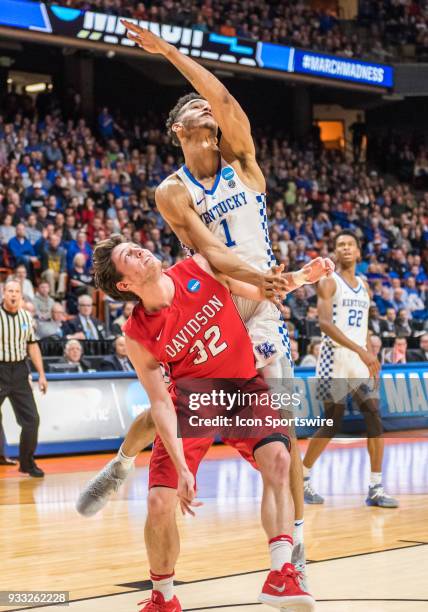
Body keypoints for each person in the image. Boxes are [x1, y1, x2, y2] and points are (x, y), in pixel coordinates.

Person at [77, 20, 334, 590]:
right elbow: (213, 253)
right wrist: (265, 278)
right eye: (192, 108)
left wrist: (169, 51)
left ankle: (292, 544)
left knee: (282, 431)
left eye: (208, 108)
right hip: (216, 295)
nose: (206, 110)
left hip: (260, 304)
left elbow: (221, 96)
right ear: (178, 130)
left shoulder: (243, 161)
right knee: (173, 406)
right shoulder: (171, 190)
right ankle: (122, 460)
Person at [78, 236, 321, 612]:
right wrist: (181, 469)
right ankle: (163, 597)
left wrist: (303, 276)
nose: (140, 250)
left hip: (243, 387)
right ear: (125, 284)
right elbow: (160, 403)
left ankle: (280, 573)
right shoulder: (138, 334)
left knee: (279, 458)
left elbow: (261, 288)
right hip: (192, 403)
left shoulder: (200, 267)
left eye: (135, 245)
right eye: (129, 255)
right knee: (160, 501)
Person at [302, 230, 398, 508]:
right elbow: (325, 325)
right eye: (340, 245)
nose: (345, 248)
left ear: (358, 252)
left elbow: (364, 326)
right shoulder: (328, 282)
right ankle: (303, 476)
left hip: (358, 359)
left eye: (350, 245)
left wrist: (369, 355)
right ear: (335, 252)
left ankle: (376, 487)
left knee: (374, 417)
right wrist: (361, 351)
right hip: (334, 358)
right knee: (332, 421)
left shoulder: (365, 285)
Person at [0, 279, 48, 477]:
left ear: (21, 294)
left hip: (20, 370)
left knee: (32, 420)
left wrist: (41, 375)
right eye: (9, 291)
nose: (13, 294)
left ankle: (26, 463)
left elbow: (33, 346)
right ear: (4, 293)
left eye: (16, 291)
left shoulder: (26, 317)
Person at [40, 233, 68, 298]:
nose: (54, 242)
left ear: (59, 241)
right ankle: (51, 294)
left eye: (56, 240)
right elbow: (44, 267)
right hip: (46, 273)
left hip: (57, 273)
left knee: (63, 274)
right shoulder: (45, 251)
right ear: (49, 241)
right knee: (50, 272)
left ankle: (60, 293)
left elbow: (63, 265)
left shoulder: (62, 251)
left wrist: (60, 272)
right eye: (52, 240)